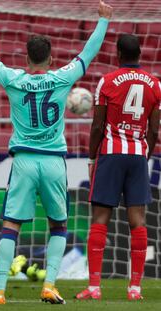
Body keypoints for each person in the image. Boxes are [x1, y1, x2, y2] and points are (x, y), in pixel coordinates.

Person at [0, 1, 112, 305]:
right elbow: (89, 52)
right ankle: (50, 285)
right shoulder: (63, 77)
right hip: (53, 162)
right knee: (58, 225)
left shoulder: (14, 79)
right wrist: (103, 21)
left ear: (26, 58)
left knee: (11, 226)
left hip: (24, 161)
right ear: (50, 59)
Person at [76, 34, 161, 301]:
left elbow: (98, 126)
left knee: (101, 219)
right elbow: (154, 128)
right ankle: (135, 288)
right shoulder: (155, 84)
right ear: (140, 53)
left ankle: (94, 287)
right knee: (138, 221)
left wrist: (91, 159)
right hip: (137, 156)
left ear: (117, 53)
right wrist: (144, 154)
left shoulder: (107, 81)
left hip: (111, 155)